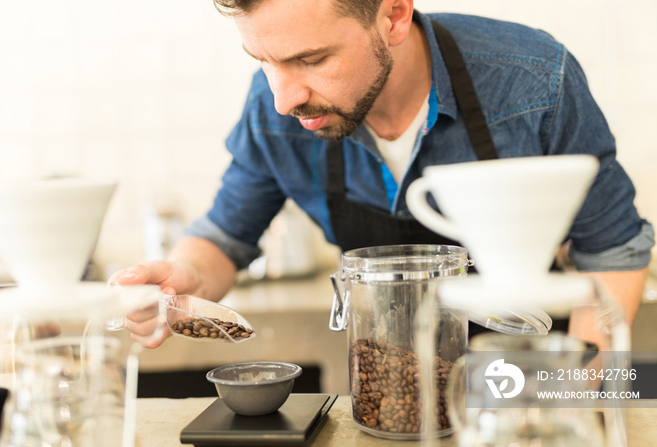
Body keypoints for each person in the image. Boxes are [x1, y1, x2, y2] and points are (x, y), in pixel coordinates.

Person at [110, 0, 654, 347]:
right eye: (263, 62)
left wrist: (577, 401)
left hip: (523, 379)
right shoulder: (273, 109)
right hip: (385, 393)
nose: (283, 100)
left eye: (312, 59)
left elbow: (613, 251)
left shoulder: (535, 82)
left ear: (392, 16)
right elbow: (226, 237)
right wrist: (182, 276)